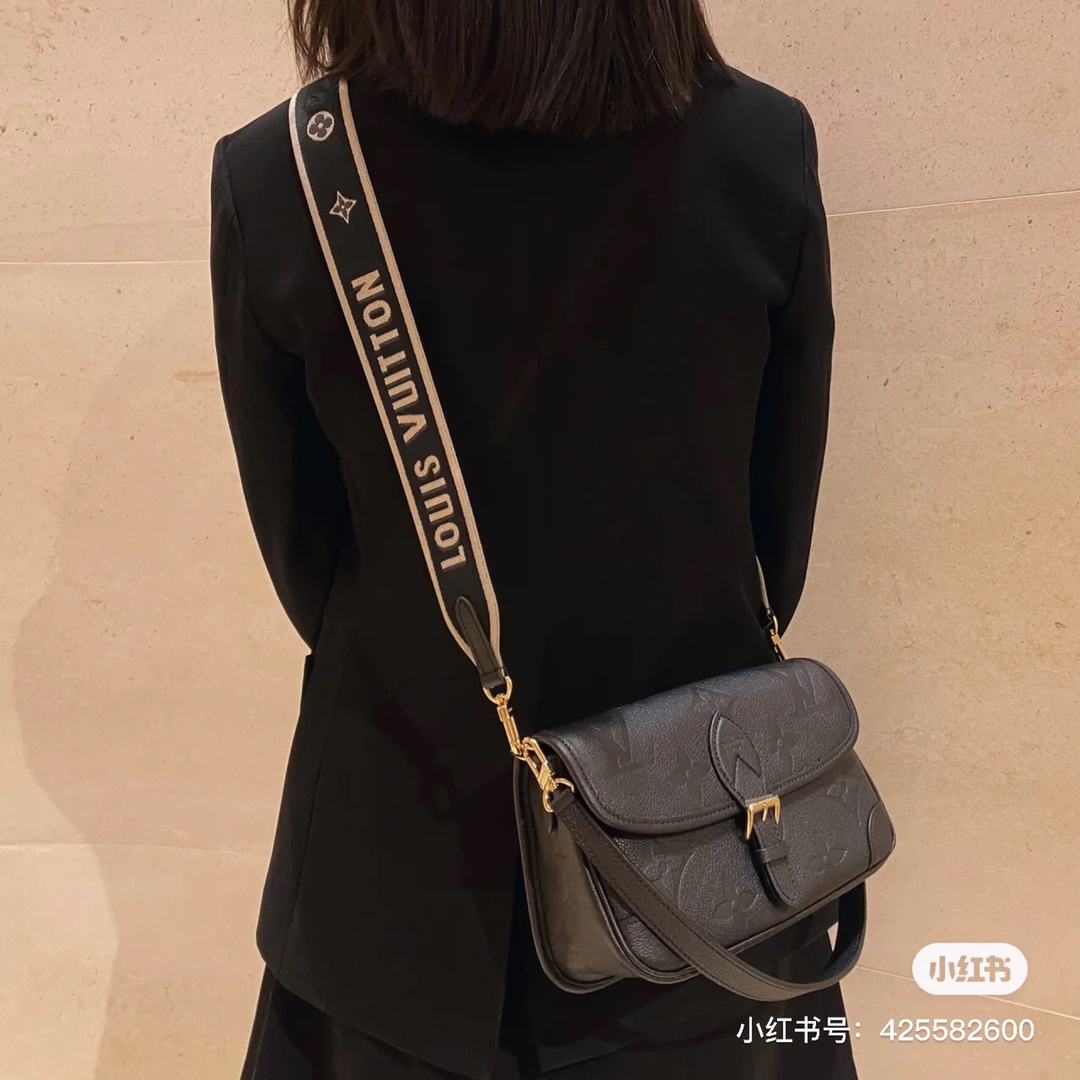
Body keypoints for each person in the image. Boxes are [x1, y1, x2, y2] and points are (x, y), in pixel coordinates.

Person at [209, 1, 854, 1077]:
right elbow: (774, 547)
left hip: (396, 891)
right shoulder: (762, 145)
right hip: (706, 878)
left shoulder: (287, 173)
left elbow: (307, 560)